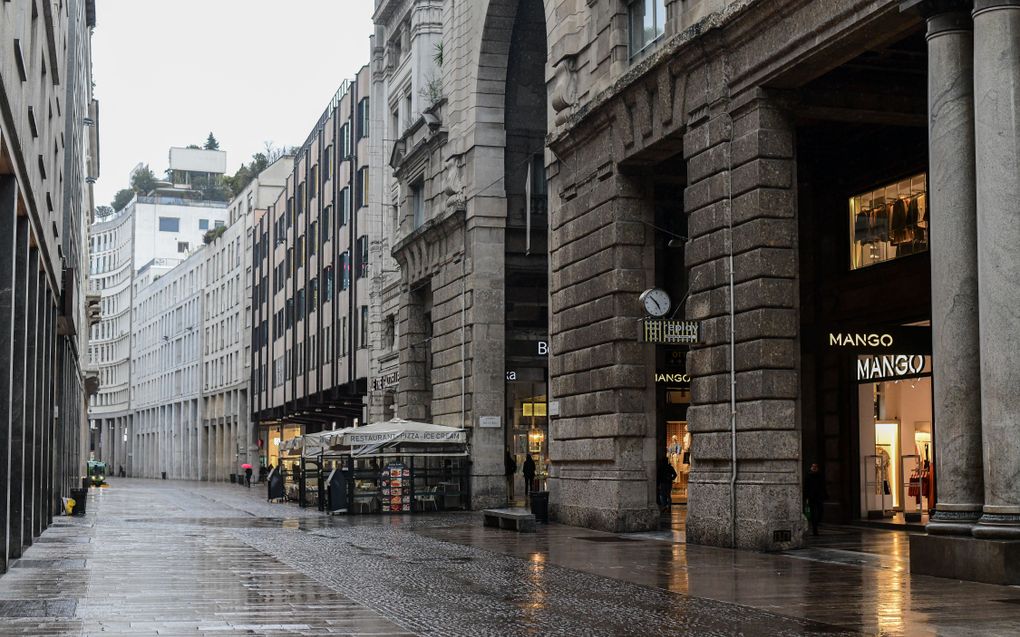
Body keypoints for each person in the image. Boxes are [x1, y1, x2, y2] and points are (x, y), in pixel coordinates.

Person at [804, 463, 828, 536]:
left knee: (820, 511)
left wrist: (825, 495)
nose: (814, 468)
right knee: (813, 513)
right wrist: (806, 497)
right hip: (811, 497)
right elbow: (806, 487)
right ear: (811, 467)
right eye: (813, 466)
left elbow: (823, 486)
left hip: (819, 497)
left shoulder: (820, 476)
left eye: (815, 467)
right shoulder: (808, 476)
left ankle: (817, 523)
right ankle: (815, 529)